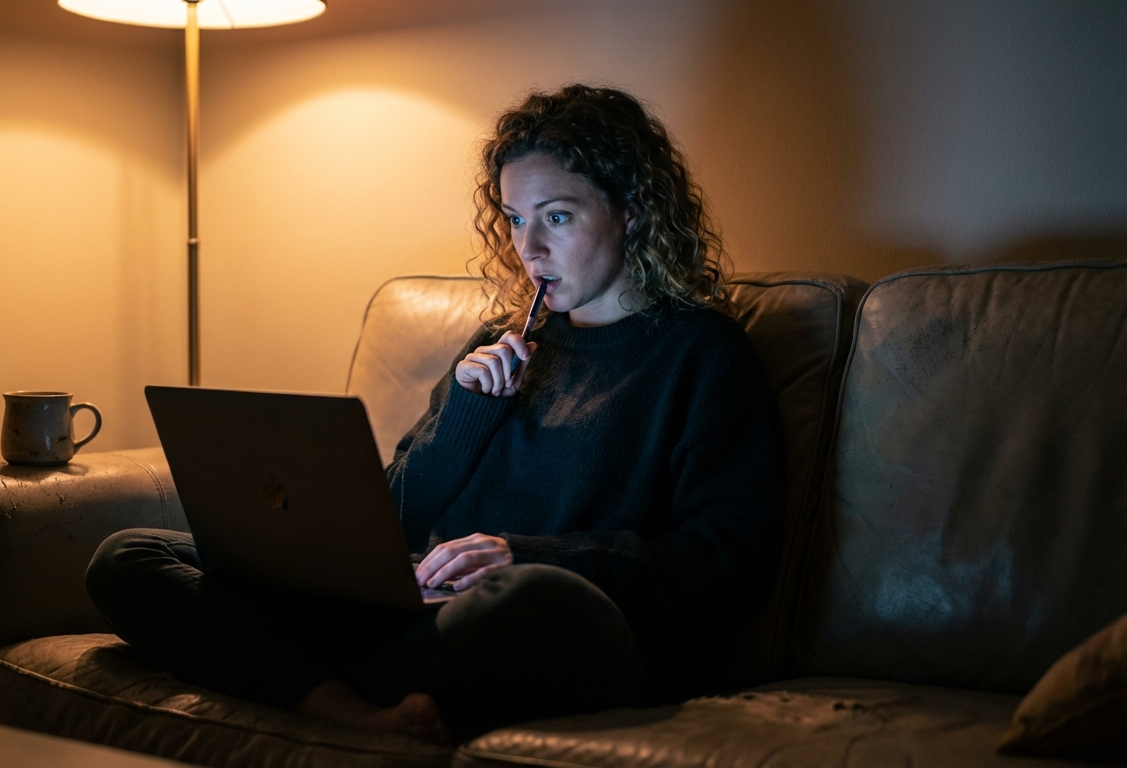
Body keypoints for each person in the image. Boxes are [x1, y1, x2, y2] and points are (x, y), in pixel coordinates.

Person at [85, 84, 785, 744]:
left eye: (558, 217)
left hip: (538, 621)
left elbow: (725, 562)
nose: (530, 248)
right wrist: (465, 419)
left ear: (631, 209)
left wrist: (521, 553)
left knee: (529, 599)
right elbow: (393, 524)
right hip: (414, 616)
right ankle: (347, 707)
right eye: (515, 218)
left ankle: (295, 673)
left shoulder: (701, 353)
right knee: (131, 558)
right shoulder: (497, 344)